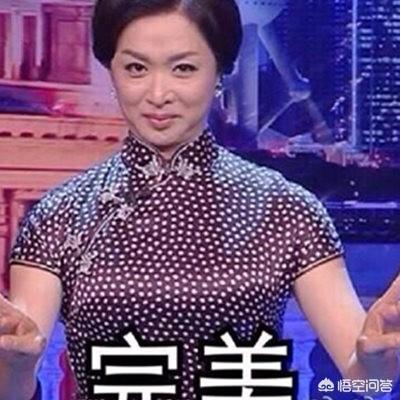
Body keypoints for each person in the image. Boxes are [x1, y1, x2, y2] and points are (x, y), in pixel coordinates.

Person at [0, 1, 399, 399]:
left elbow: (365, 382)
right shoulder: (60, 215)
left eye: (184, 68)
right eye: (136, 68)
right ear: (111, 70)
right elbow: (13, 383)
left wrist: (380, 362)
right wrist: (13, 365)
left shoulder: (287, 209)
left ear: (221, 70)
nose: (158, 94)